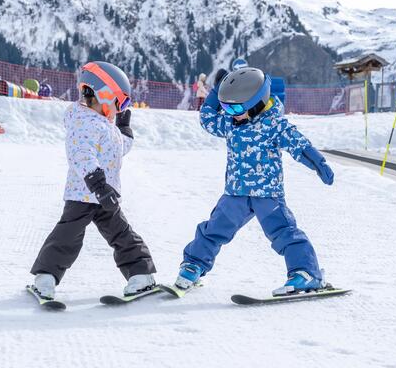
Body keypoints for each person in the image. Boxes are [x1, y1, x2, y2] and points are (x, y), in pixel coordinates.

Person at [174, 67, 334, 296]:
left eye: (235, 107)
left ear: (257, 102)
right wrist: (217, 91)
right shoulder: (231, 123)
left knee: (285, 233)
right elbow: (208, 118)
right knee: (213, 230)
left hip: (267, 195)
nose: (230, 112)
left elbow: (299, 145)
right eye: (226, 107)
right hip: (235, 194)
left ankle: (306, 274)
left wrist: (318, 163)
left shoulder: (274, 125)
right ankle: (193, 266)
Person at [30, 61, 157, 299]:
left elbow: (115, 151)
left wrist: (124, 130)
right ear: (104, 94)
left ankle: (141, 274)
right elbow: (81, 155)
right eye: (121, 102)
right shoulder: (83, 121)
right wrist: (99, 186)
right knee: (67, 237)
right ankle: (45, 277)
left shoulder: (103, 123)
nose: (121, 109)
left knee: (122, 233)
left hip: (104, 195)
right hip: (84, 193)